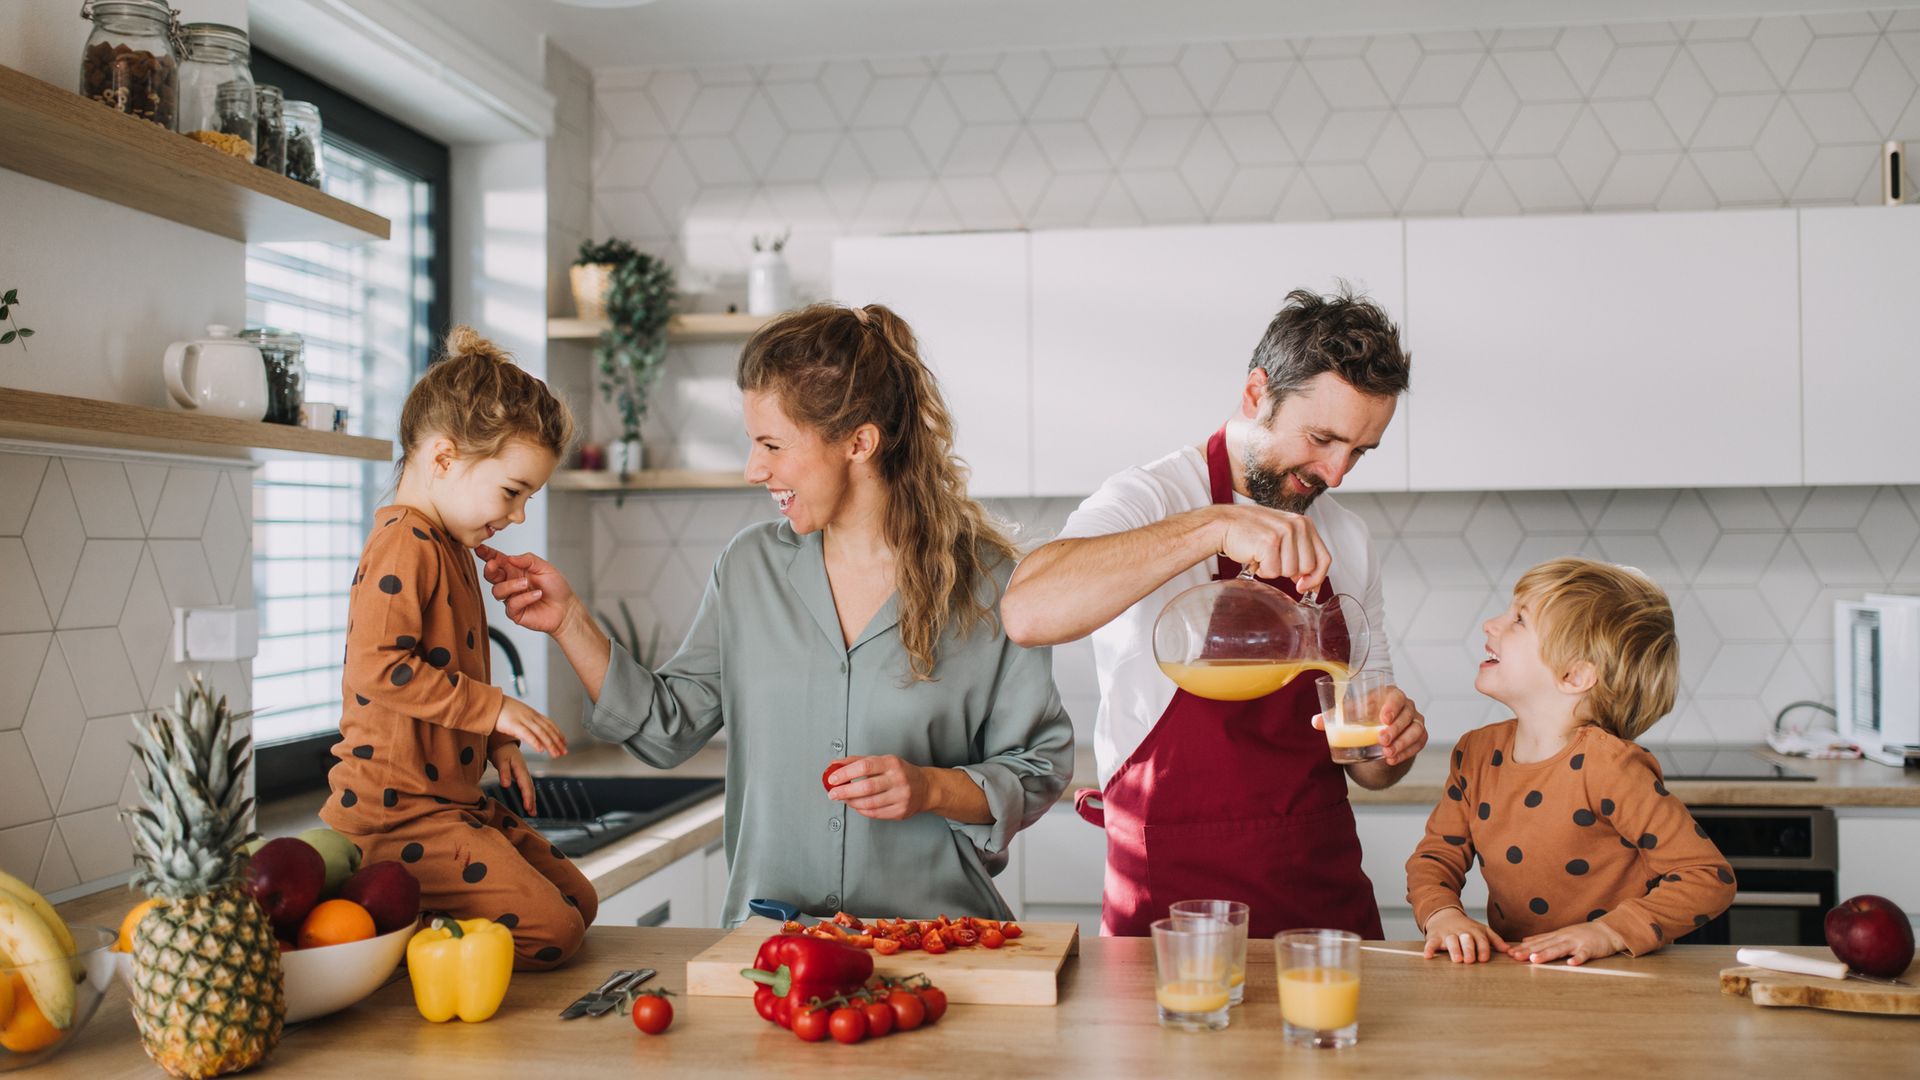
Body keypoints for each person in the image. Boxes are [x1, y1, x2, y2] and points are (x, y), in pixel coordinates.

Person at [478, 303, 1074, 926]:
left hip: (934, 938)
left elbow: (1038, 765)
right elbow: (666, 728)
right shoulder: (748, 569)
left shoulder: (987, 584)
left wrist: (930, 788)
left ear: (858, 442)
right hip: (776, 947)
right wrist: (568, 619)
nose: (753, 468)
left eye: (772, 444)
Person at [1000, 285, 1428, 940]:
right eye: (1322, 438)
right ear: (1257, 393)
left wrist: (1388, 743)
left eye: (1359, 451)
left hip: (1322, 906)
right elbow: (1028, 610)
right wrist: (1213, 527)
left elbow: (1368, 763)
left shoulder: (1348, 538)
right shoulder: (1150, 497)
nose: (1337, 473)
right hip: (1172, 911)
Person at [320, 327, 592, 970]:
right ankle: (390, 930)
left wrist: (496, 744)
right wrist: (494, 709)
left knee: (579, 903)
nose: (519, 515)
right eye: (512, 491)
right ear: (443, 458)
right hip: (396, 818)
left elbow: (447, 669)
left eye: (527, 497)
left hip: (449, 804)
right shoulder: (403, 543)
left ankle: (397, 925)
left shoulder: (450, 544)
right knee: (554, 930)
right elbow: (378, 666)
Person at [1408, 557, 1736, 965]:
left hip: (1613, 978)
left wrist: (1608, 932)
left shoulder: (1610, 767)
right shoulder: (1474, 754)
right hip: (1519, 976)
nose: (1491, 624)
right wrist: (1442, 915)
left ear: (1574, 677)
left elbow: (1707, 877)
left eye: (1519, 620)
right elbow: (1434, 858)